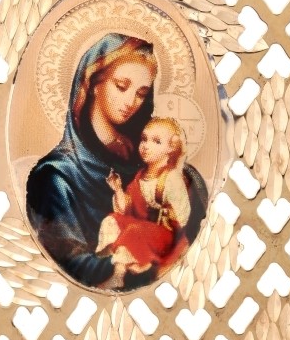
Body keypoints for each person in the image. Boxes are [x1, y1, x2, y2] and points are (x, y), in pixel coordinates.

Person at [25, 33, 207, 291]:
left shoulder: (150, 162)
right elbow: (70, 262)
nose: (131, 102)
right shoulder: (55, 178)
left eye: (141, 93)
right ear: (93, 84)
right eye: (121, 86)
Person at [95, 117, 191, 274]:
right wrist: (118, 189)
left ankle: (120, 272)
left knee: (134, 230)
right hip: (142, 227)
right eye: (144, 139)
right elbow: (126, 209)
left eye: (156, 141)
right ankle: (117, 258)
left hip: (163, 235)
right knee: (112, 220)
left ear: (171, 148)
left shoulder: (171, 178)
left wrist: (168, 214)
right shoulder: (140, 176)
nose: (146, 146)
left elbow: (182, 214)